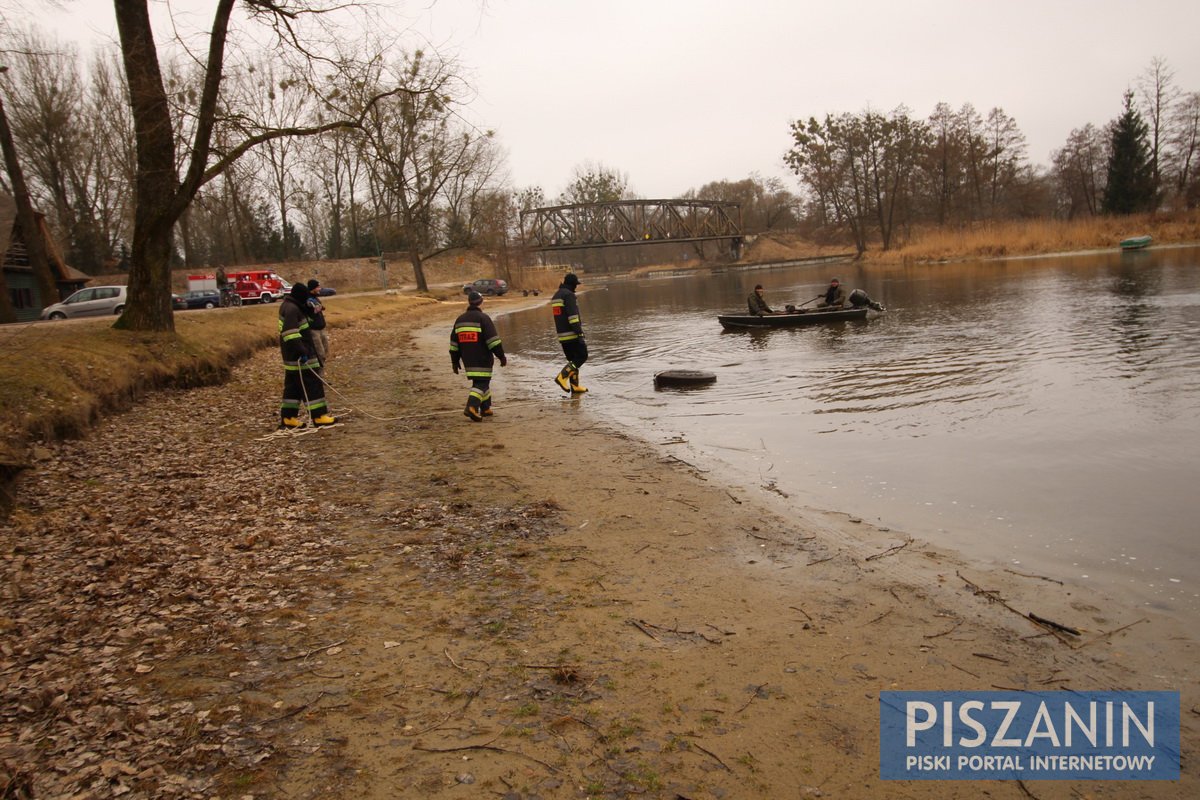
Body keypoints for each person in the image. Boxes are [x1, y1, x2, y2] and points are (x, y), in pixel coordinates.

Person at [278, 283, 336, 428]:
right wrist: (302, 353)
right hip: (300, 355)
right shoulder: (292, 309)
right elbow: (290, 334)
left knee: (293, 387)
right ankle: (319, 416)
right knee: (312, 384)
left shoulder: (289, 305)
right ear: (300, 296)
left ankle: (288, 418)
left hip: (291, 356)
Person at [450, 290, 507, 421]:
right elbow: (493, 341)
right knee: (482, 383)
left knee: (480, 382)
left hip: (468, 360)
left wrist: (455, 361)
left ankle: (485, 408)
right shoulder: (483, 318)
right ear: (480, 302)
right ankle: (471, 407)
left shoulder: (460, 320)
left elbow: (454, 344)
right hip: (482, 359)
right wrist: (501, 356)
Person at [551, 272, 588, 394]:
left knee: (573, 360)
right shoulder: (569, 295)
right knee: (582, 356)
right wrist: (580, 333)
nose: (576, 287)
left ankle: (575, 386)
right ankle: (562, 376)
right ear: (572, 285)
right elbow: (573, 317)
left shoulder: (557, 295)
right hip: (572, 334)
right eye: (575, 285)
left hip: (562, 335)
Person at [305, 279, 329, 374]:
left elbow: (320, 308)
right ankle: (319, 376)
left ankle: (321, 374)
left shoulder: (316, 298)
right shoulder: (308, 299)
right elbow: (309, 308)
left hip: (321, 328)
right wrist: (311, 306)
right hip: (314, 330)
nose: (320, 288)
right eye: (318, 287)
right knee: (319, 353)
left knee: (325, 351)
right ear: (312, 288)